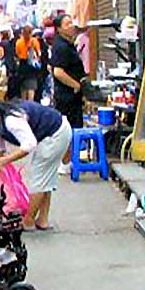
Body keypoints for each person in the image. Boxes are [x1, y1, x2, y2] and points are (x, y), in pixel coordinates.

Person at [0, 99, 72, 230]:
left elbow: (29, 144)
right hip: (53, 131)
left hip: (56, 133)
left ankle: (28, 221)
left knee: (38, 179)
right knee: (45, 179)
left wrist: (7, 160)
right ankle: (42, 220)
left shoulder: (11, 120)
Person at [50, 13, 87, 173]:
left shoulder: (66, 44)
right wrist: (76, 85)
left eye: (71, 22)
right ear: (59, 29)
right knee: (68, 128)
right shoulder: (61, 47)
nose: (71, 25)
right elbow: (57, 72)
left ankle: (68, 160)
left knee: (71, 127)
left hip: (69, 94)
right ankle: (65, 163)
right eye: (67, 24)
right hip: (67, 95)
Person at [15, 24, 42, 101]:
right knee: (31, 88)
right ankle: (30, 105)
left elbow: (17, 55)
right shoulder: (34, 41)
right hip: (31, 66)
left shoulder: (19, 42)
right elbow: (39, 54)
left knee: (23, 88)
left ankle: (24, 106)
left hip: (22, 66)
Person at [0, 24, 19, 100]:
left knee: (2, 86)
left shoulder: (2, 44)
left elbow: (1, 55)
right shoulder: (12, 43)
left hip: (4, 67)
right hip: (12, 67)